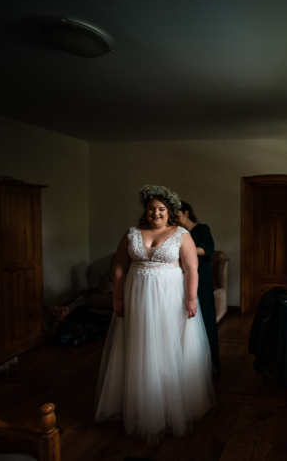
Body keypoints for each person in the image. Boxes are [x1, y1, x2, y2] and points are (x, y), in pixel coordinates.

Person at [94, 185, 216, 445]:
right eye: (151, 209)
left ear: (169, 211)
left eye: (161, 209)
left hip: (170, 299)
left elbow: (192, 268)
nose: (156, 213)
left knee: (166, 347)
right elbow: (118, 266)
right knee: (138, 347)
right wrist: (117, 298)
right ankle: (140, 407)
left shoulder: (181, 234)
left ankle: (171, 408)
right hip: (136, 298)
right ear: (145, 210)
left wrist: (191, 299)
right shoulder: (131, 234)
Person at [178, 202, 220, 374]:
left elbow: (207, 250)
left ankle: (206, 365)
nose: (174, 220)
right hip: (179, 276)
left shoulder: (202, 229)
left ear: (186, 213)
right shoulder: (174, 230)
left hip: (200, 275)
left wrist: (186, 249)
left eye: (177, 215)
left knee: (202, 316)